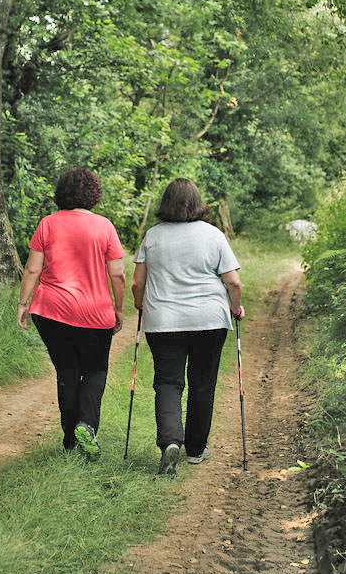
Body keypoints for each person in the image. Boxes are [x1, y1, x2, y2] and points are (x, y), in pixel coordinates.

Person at [132, 178, 243, 476]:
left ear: (165, 204)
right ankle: (195, 450)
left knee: (168, 382)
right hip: (209, 319)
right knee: (202, 382)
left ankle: (170, 441)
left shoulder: (152, 236)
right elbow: (232, 281)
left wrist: (139, 304)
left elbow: (137, 282)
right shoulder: (213, 235)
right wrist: (236, 309)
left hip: (164, 321)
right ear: (197, 202)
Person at [17, 167, 127, 459]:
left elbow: (32, 269)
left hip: (51, 310)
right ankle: (86, 425)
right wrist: (118, 307)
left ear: (61, 193)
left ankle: (70, 441)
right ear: (94, 194)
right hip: (95, 313)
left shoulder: (48, 224)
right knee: (95, 370)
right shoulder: (105, 227)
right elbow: (117, 274)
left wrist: (22, 303)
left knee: (67, 371)